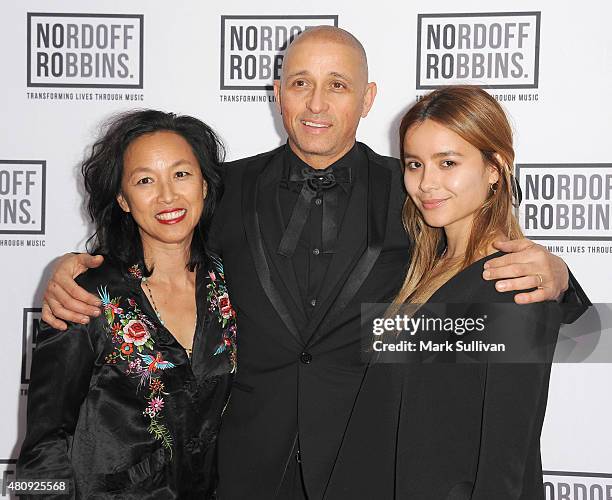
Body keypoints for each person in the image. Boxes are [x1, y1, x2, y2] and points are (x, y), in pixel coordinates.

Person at [39, 28, 587, 500]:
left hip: (373, 465)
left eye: (338, 85)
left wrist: (560, 277)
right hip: (244, 468)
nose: (317, 104)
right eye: (300, 83)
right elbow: (156, 247)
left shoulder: (417, 189)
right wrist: (72, 269)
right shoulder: (221, 189)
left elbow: (529, 317)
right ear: (278, 94)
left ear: (368, 98)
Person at [325, 86, 590, 499]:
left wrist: (561, 277)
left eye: (448, 162)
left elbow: (506, 458)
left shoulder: (511, 285)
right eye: (414, 164)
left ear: (495, 168)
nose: (427, 183)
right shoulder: (422, 267)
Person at [17, 110, 236, 499]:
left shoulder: (230, 282)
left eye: (181, 174)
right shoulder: (85, 297)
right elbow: (42, 447)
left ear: (204, 184)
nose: (167, 195)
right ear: (122, 198)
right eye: (145, 180)